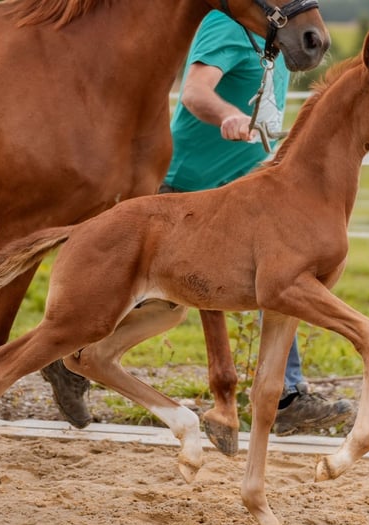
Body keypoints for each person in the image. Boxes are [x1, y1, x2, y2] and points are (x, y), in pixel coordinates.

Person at [50, 10, 352, 436]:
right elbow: (193, 92)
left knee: (281, 278)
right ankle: (68, 354)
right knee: (137, 300)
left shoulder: (274, 42)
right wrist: (227, 114)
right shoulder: (224, 25)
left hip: (239, 193)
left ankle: (283, 396)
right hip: (187, 192)